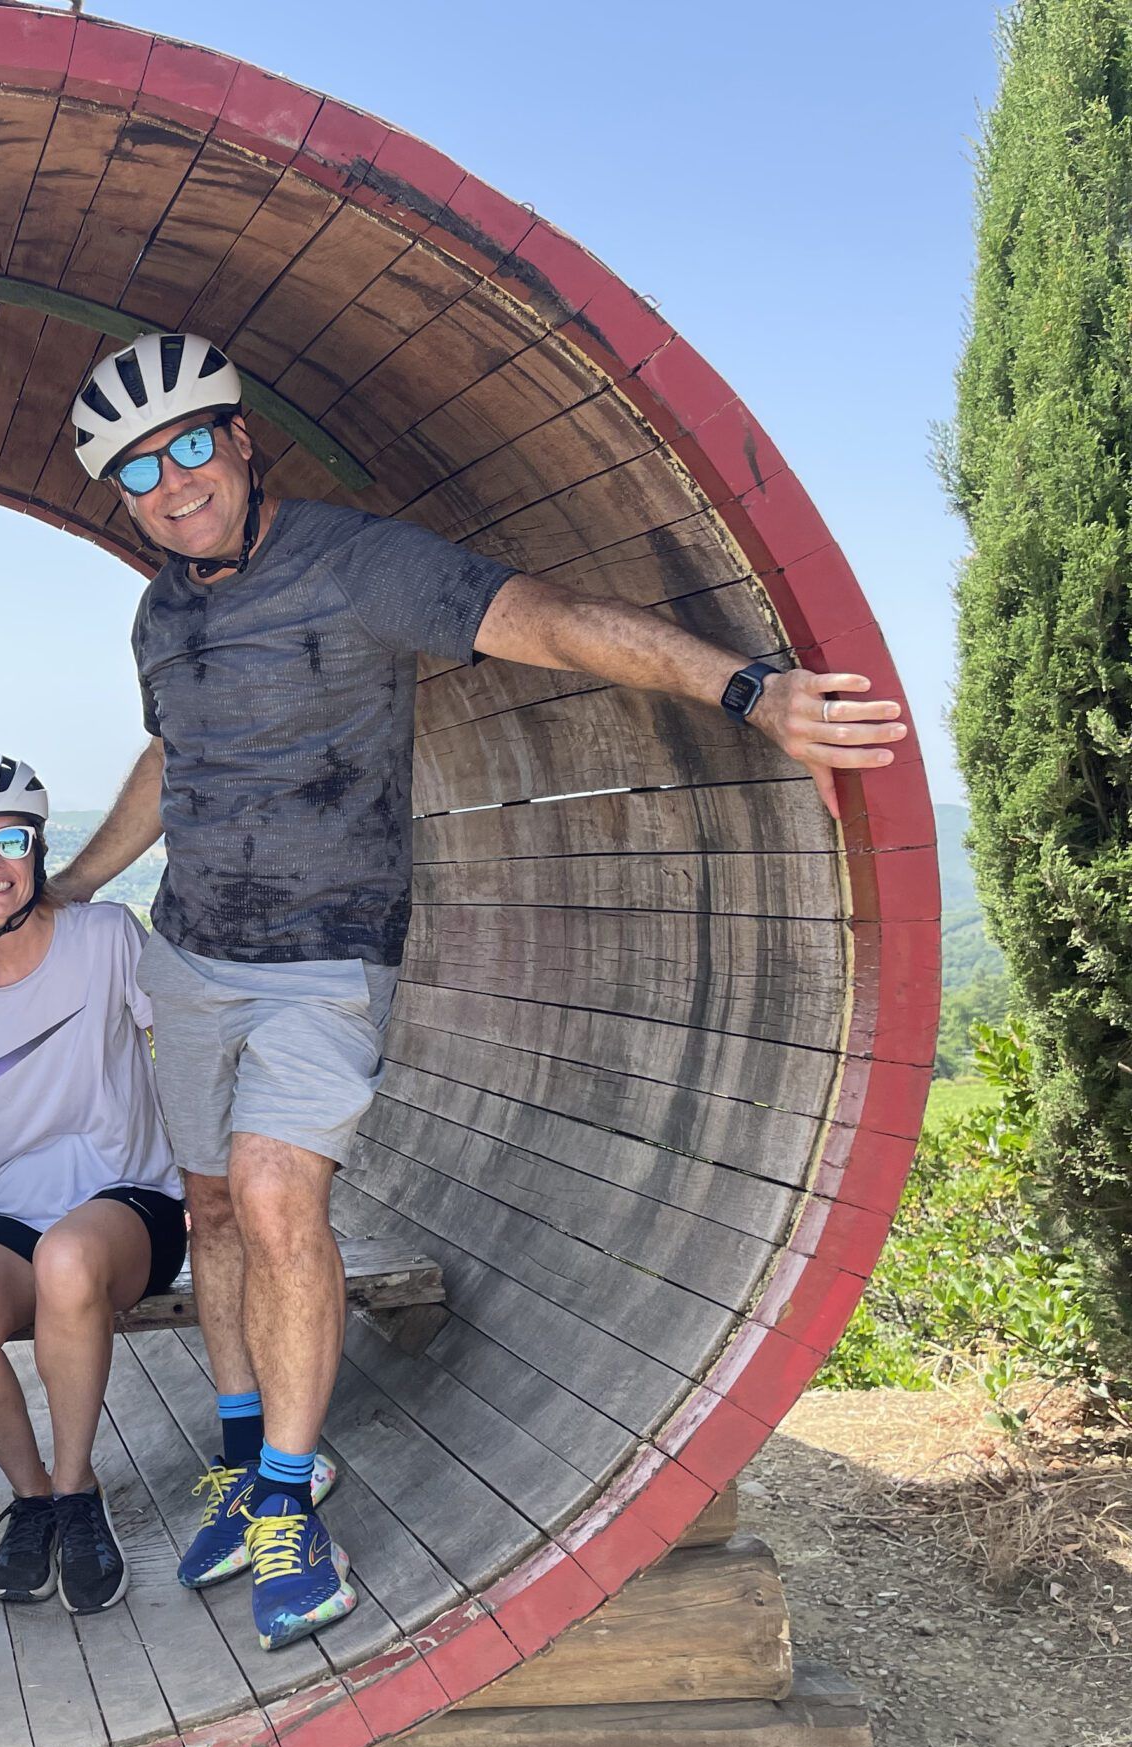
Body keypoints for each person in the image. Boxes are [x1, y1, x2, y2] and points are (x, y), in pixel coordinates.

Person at [51, 330, 907, 1652]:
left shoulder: (357, 564)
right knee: (213, 1206)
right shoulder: (161, 609)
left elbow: (551, 621)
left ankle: (289, 1504)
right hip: (192, 952)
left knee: (280, 1199)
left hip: (326, 957)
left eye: (187, 445)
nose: (171, 484)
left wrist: (748, 689)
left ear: (239, 437)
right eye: (136, 472)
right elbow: (178, 759)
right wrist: (77, 882)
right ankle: (249, 1456)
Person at [0, 753, 237, 1616]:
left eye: (10, 839)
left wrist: (216, 1179)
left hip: (132, 1201)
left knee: (68, 1263)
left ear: (41, 848)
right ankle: (38, 1497)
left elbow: (188, 1043)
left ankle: (79, 1489)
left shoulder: (106, 936)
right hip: (10, 1206)